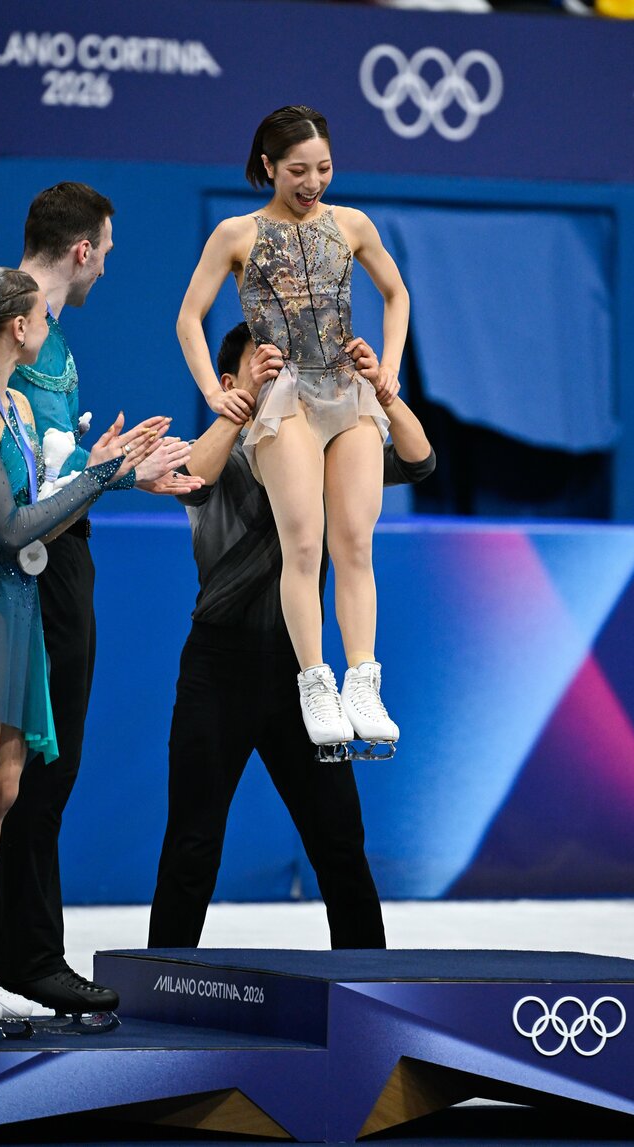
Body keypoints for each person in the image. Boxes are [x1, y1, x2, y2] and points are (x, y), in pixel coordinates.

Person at [0, 183, 200, 1017]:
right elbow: (22, 470)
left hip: (58, 554)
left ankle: (5, 951)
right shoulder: (24, 328)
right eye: (105, 247)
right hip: (38, 569)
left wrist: (121, 470)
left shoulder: (49, 333)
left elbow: (53, 458)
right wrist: (108, 471)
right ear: (81, 250)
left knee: (32, 770)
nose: (110, 260)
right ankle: (25, 956)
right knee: (33, 767)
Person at [148, 322, 435, 949]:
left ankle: (369, 986)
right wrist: (242, 404)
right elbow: (191, 477)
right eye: (268, 361)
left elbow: (418, 461)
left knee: (340, 842)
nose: (286, 372)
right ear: (229, 381)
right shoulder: (217, 452)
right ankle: (161, 984)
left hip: (303, 680)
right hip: (216, 672)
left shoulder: (329, 459)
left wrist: (380, 390)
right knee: (193, 840)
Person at [0, 267, 161, 1024]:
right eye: (41, 317)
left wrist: (99, 467)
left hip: (15, 605)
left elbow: (40, 500)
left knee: (5, 787)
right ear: (18, 327)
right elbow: (9, 528)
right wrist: (100, 475)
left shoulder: (9, 403)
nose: (49, 325)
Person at [177, 106, 410, 750]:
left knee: (355, 545)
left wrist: (386, 369)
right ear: (268, 168)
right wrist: (215, 396)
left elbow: (397, 294)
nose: (314, 183)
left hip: (348, 391)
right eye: (299, 171)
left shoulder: (352, 225)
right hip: (285, 400)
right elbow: (189, 319)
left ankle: (363, 677)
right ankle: (315, 679)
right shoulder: (236, 233)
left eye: (325, 168)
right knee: (304, 545)